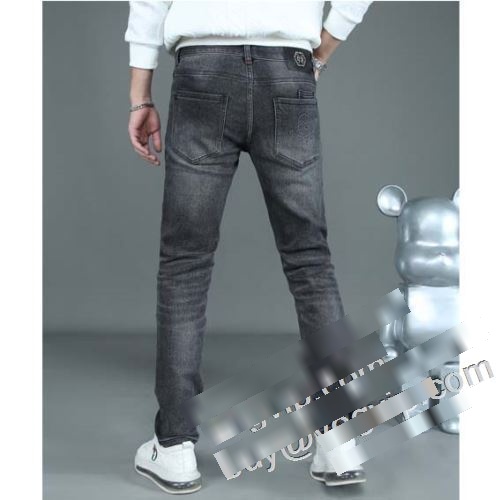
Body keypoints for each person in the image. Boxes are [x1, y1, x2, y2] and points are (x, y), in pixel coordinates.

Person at [125, 0, 372, 494]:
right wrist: (320, 52)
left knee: (185, 264)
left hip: (201, 71)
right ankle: (339, 436)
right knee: (309, 261)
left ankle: (174, 447)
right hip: (288, 69)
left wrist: (140, 96)